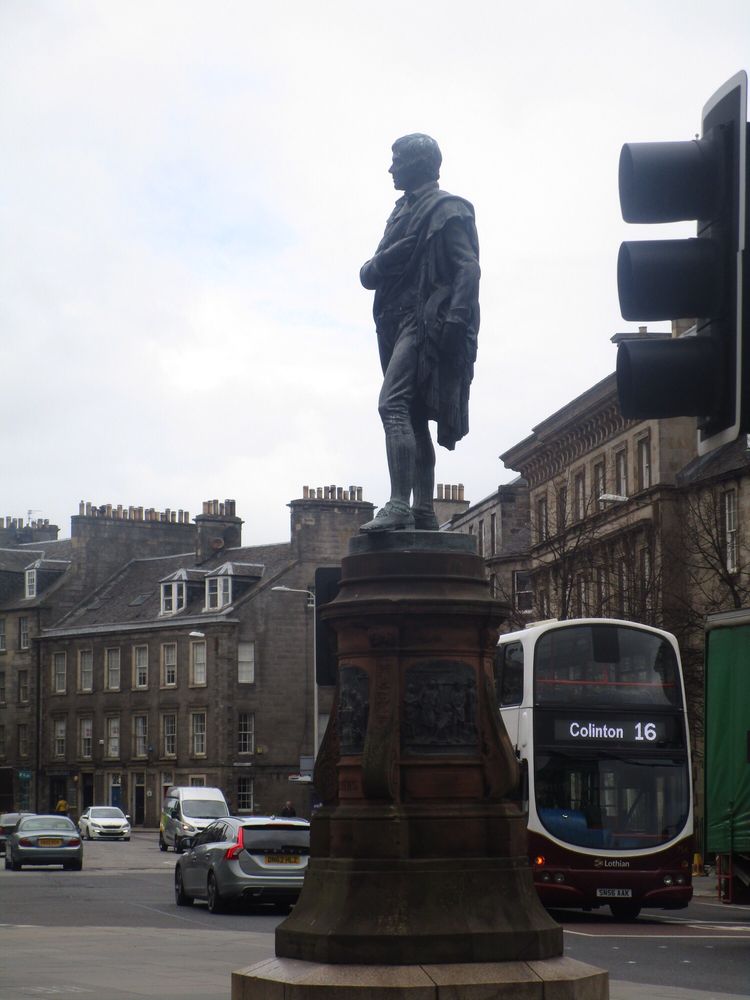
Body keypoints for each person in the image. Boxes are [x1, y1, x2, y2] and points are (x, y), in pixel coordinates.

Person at [359, 133, 480, 532]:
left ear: (418, 164)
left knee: (390, 405)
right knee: (412, 416)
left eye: (396, 160)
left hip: (422, 319)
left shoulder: (447, 209)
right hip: (391, 322)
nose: (390, 168)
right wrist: (383, 262)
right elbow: (367, 274)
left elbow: (468, 268)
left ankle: (399, 504)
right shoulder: (399, 212)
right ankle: (424, 511)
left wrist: (457, 319)